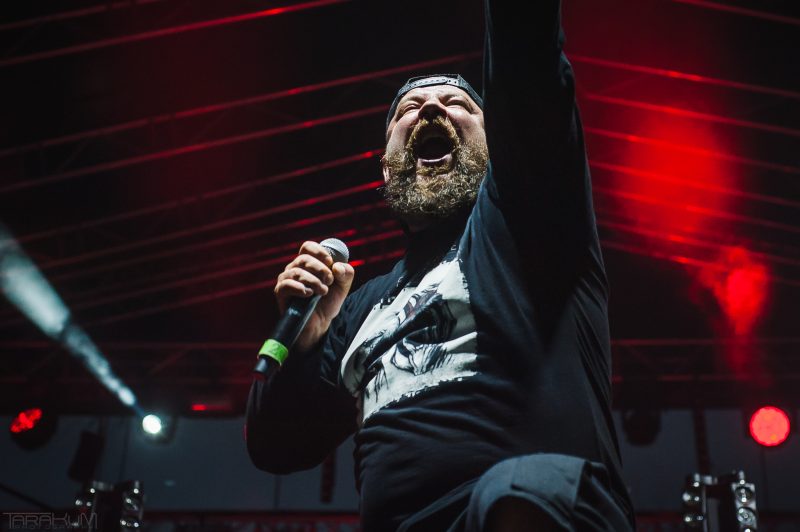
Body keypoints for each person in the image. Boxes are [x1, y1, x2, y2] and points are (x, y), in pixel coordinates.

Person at [245, 1, 636, 530]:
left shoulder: (523, 226)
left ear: (498, 148)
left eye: (456, 103)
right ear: (387, 168)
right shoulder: (359, 307)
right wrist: (305, 343)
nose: (431, 108)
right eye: (408, 109)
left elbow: (527, 64)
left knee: (519, 486)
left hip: (526, 511)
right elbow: (274, 446)